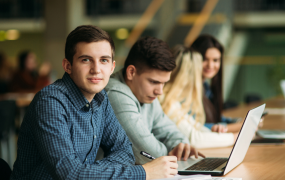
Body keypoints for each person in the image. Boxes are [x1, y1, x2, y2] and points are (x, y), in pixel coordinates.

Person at [11, 25, 178, 180]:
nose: (96, 69)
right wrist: (143, 173)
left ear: (112, 67)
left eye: (104, 60)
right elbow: (70, 174)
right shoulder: (51, 102)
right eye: (86, 60)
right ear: (67, 66)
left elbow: (125, 152)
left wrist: (88, 172)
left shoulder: (101, 98)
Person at [105, 36, 204, 165]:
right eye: (154, 82)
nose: (159, 91)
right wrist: (173, 153)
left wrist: (180, 146)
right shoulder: (115, 94)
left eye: (163, 83)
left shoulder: (146, 94)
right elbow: (149, 153)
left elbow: (169, 131)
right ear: (131, 72)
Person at [159, 45, 238, 148]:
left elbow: (197, 128)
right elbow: (195, 139)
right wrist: (235, 137)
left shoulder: (173, 100)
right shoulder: (165, 101)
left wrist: (229, 135)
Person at [191, 34, 243, 133]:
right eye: (205, 59)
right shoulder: (187, 88)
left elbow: (214, 117)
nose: (210, 65)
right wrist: (232, 127)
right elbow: (192, 126)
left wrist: (237, 121)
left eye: (215, 60)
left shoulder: (205, 86)